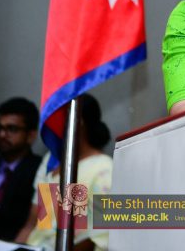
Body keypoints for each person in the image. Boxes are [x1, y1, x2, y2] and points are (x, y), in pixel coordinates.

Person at [17, 94, 112, 251]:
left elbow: (98, 238)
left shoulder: (104, 169)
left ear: (77, 122)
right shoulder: (51, 160)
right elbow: (32, 224)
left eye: (56, 120)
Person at [0, 97, 42, 241]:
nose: (2, 135)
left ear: (31, 135)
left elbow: (43, 225)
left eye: (12, 129)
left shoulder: (41, 171)